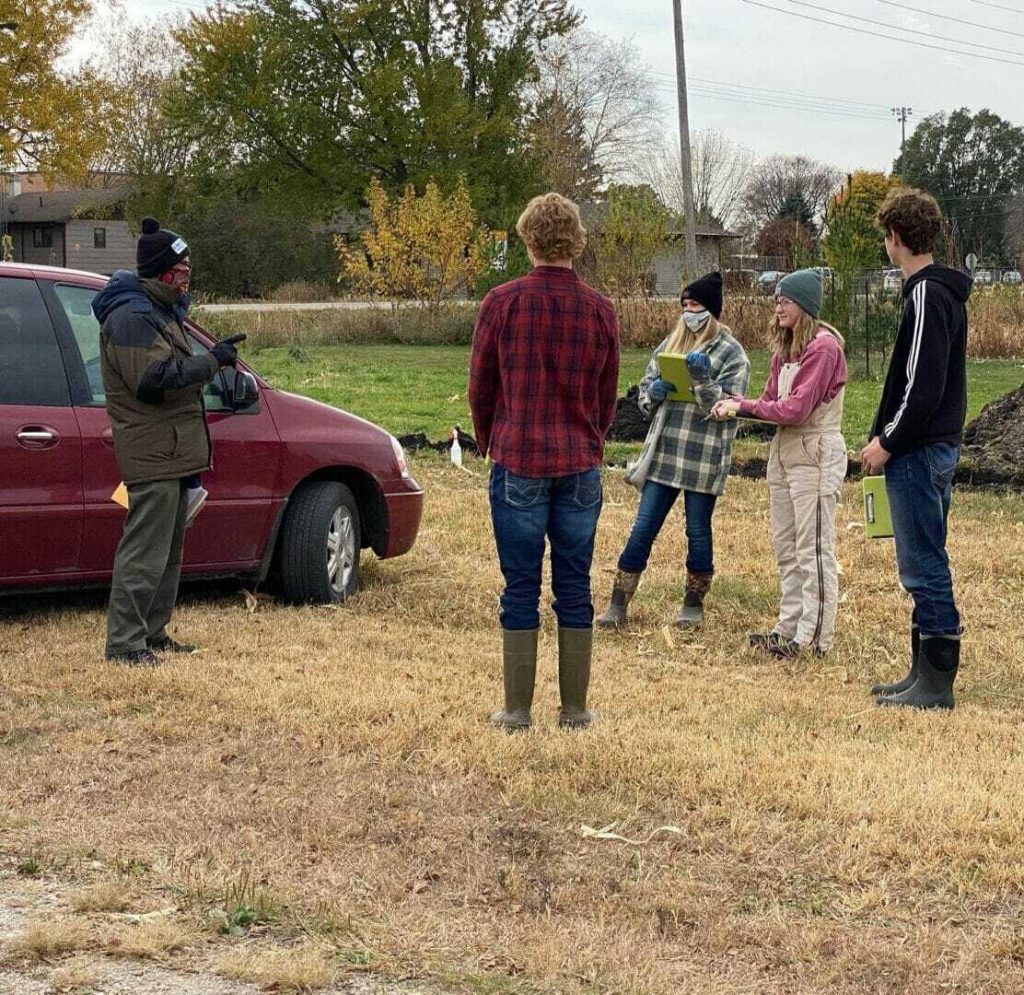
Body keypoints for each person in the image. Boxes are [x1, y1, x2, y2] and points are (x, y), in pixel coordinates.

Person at [468, 193, 620, 731]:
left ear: (528, 238)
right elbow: (607, 397)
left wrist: (491, 439)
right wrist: (590, 440)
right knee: (575, 585)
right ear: (576, 240)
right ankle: (575, 710)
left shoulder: (501, 302)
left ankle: (516, 711)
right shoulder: (600, 310)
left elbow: (480, 386)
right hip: (579, 463)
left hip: (519, 459)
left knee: (520, 586)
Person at [94, 217, 240, 666]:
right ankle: (124, 644)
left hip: (174, 450)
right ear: (161, 272)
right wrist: (210, 363)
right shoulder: (131, 317)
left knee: (168, 554)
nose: (186, 278)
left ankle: (152, 633)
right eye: (181, 270)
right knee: (144, 552)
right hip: (152, 452)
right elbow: (153, 380)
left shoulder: (161, 312)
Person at [862, 188, 971, 710]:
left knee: (923, 562)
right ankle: (920, 673)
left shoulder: (927, 294)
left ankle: (937, 682)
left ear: (895, 238)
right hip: (933, 447)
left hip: (920, 450)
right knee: (922, 557)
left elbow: (922, 386)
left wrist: (888, 440)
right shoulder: (937, 293)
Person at [597, 272, 750, 630]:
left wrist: (703, 381)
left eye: (695, 306)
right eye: (684, 306)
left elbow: (731, 407)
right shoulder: (673, 342)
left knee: (697, 531)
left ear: (710, 311)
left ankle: (693, 602)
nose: (688, 312)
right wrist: (654, 393)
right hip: (666, 451)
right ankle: (618, 602)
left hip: (702, 453)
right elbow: (647, 391)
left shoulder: (732, 353)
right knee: (643, 527)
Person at [712, 269, 847, 658]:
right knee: (786, 544)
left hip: (814, 451)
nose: (778, 307)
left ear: (805, 305)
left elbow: (795, 409)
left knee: (813, 547)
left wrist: (742, 406)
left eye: (786, 300)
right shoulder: (785, 349)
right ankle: (788, 628)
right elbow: (770, 400)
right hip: (785, 452)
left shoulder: (823, 349)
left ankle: (815, 637)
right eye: (776, 300)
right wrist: (733, 405)